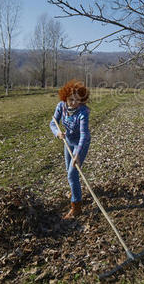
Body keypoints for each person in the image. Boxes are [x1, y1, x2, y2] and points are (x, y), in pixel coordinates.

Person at [50, 79, 91, 219]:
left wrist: (77, 154)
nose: (73, 102)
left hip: (81, 144)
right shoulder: (61, 106)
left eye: (77, 100)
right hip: (68, 141)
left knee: (72, 174)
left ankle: (76, 206)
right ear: (65, 97)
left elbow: (84, 135)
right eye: (71, 99)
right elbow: (53, 123)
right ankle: (76, 191)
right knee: (69, 172)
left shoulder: (83, 112)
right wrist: (58, 133)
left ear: (81, 100)